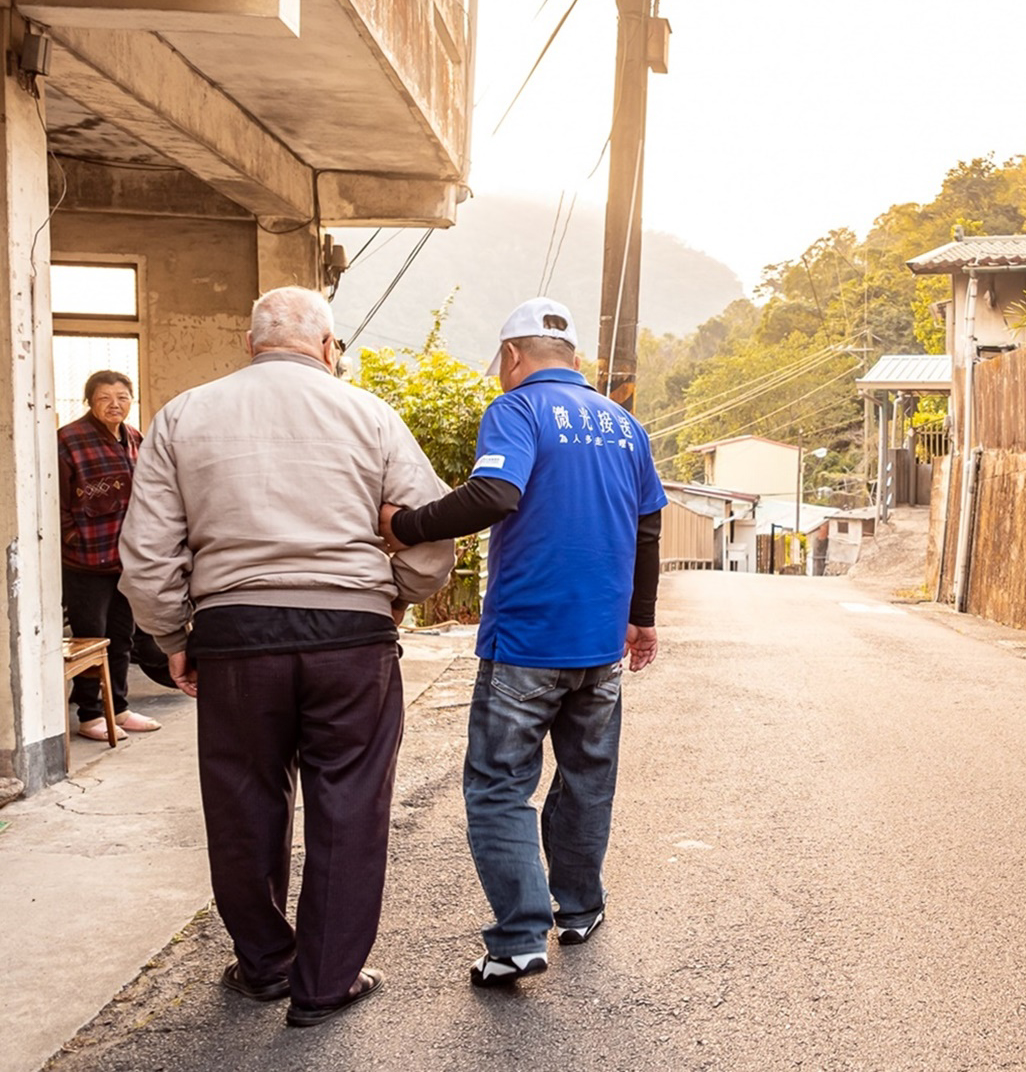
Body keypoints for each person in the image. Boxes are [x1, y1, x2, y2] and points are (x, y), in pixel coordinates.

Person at [118, 287, 455, 1027]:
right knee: (351, 802)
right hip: (352, 637)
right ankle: (326, 982)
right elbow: (429, 536)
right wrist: (395, 595)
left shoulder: (185, 414)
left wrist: (175, 636)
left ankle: (265, 963)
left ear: (250, 344)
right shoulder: (370, 414)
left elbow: (145, 554)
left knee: (242, 799)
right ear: (329, 347)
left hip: (236, 636)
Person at [379, 296, 666, 988]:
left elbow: (495, 494)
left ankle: (517, 938)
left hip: (526, 642)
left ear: (512, 355)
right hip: (600, 644)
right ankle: (580, 908)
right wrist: (641, 616)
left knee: (500, 786)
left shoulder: (517, 409)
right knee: (587, 777)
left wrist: (404, 525)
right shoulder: (625, 424)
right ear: (574, 358)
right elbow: (649, 527)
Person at [58, 369, 169, 740]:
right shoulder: (69, 440)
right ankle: (90, 715)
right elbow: (55, 499)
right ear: (90, 401)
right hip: (86, 561)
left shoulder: (134, 437)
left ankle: (118, 709)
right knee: (91, 640)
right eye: (104, 398)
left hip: (126, 559)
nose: (114, 405)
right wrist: (71, 536)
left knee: (122, 638)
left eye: (122, 397)